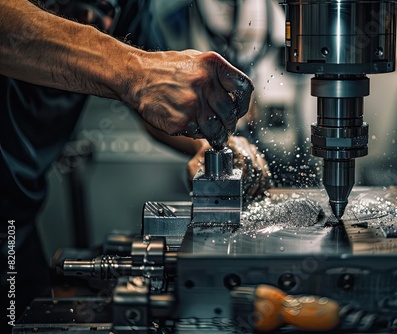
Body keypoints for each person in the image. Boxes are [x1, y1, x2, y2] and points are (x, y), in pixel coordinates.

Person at [0, 1, 268, 332]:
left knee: (25, 319)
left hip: (15, 224)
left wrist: (209, 141)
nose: (106, 17)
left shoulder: (125, 6)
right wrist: (134, 71)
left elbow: (158, 97)